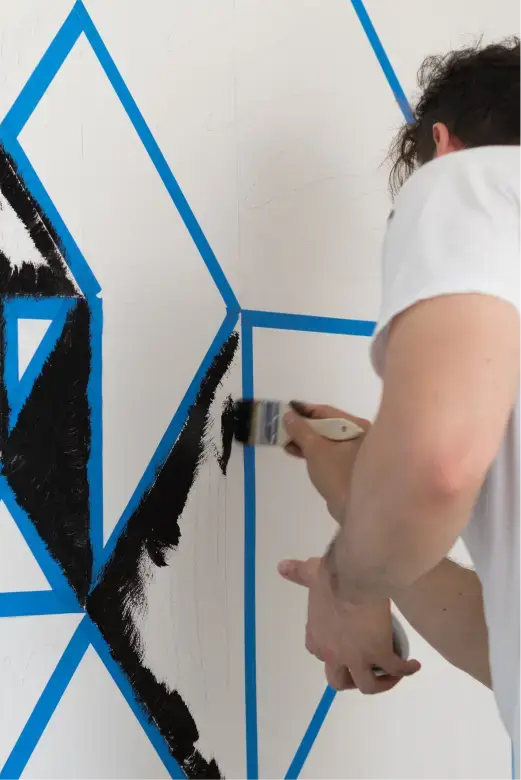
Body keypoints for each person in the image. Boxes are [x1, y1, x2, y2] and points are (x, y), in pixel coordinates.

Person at [277, 36, 521, 761]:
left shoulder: (470, 179)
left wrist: (351, 586)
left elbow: (436, 463)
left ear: (440, 143)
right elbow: (502, 645)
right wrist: (365, 510)